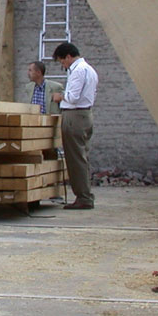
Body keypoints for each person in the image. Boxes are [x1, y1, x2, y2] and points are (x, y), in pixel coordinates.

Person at [52, 42, 98, 210]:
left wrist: (59, 97)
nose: (63, 65)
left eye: (62, 62)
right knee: (82, 156)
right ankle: (85, 194)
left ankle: (83, 197)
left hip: (75, 116)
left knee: (75, 158)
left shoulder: (78, 71)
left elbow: (73, 97)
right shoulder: (90, 69)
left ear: (69, 57)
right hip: (86, 114)